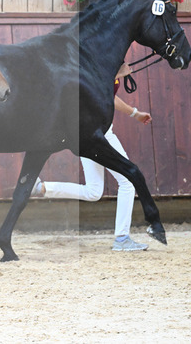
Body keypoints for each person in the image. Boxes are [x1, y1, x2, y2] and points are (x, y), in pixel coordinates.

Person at [31, 63, 152, 251]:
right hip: (97, 132)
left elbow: (109, 97)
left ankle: (40, 187)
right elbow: (96, 89)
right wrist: (117, 73)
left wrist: (134, 113)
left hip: (88, 133)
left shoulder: (107, 66)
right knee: (128, 180)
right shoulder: (98, 66)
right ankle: (122, 238)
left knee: (93, 192)